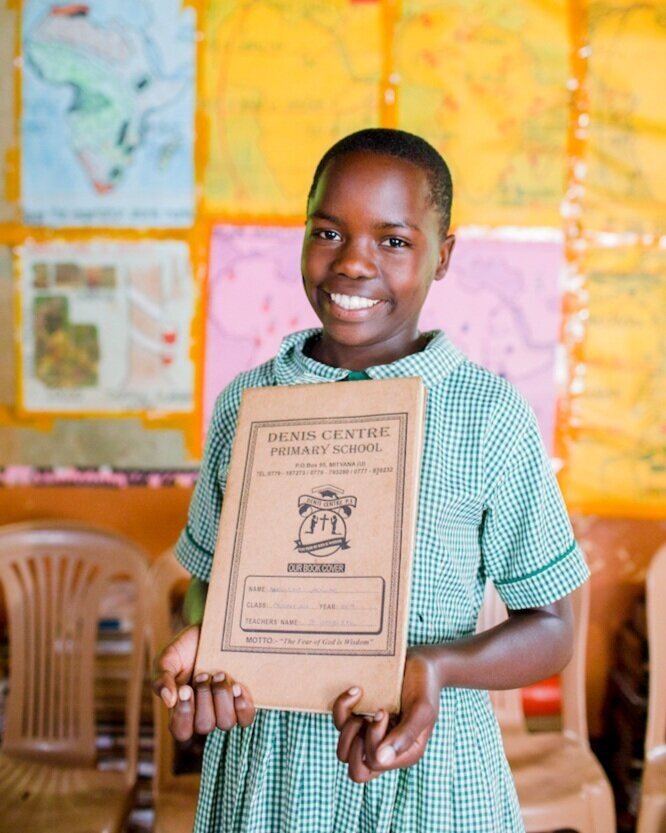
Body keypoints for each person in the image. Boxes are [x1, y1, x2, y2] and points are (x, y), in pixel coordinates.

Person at [153, 128, 589, 833]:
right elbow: (207, 577)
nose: (353, 263)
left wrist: (438, 667)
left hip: (431, 776)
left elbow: (553, 626)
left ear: (442, 256)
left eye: (393, 240)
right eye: (328, 230)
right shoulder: (247, 405)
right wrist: (205, 636)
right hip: (272, 779)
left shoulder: (487, 415)